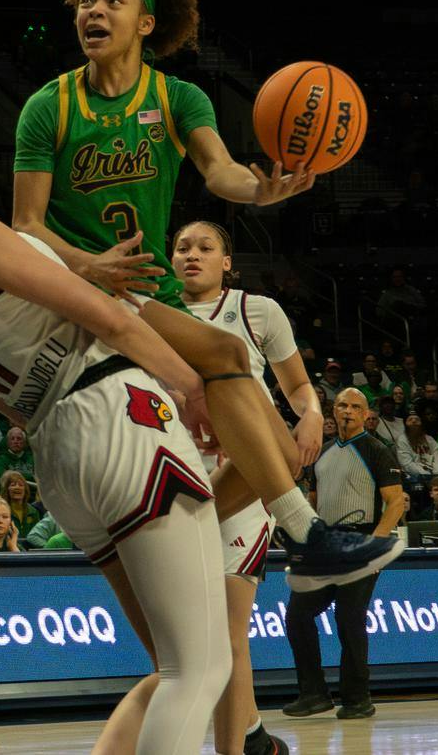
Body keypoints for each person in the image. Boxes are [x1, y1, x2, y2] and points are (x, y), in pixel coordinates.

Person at [0, 199, 392, 755]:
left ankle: (300, 533)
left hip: (57, 455)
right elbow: (106, 316)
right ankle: (304, 532)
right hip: (114, 415)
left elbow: (5, 404)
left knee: (174, 665)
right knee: (200, 668)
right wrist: (189, 387)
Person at [11, 0, 371, 585]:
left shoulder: (178, 98)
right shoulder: (50, 105)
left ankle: (195, 536)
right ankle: (307, 535)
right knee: (232, 355)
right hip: (77, 287)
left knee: (285, 453)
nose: (93, 11)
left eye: (111, 0)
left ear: (147, 21)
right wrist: (86, 264)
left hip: (147, 293)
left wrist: (262, 189)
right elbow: (26, 225)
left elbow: (221, 171)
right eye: (86, 0)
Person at [177, 219, 322, 755]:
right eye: (182, 247)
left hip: (240, 479)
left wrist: (310, 413)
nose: (192, 255)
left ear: (227, 262)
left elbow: (299, 386)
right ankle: (254, 735)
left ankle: (235, 749)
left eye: (205, 247)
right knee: (196, 640)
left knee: (227, 630)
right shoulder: (151, 313)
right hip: (176, 475)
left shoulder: (256, 311)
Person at [283, 389, 405, 725]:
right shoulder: (320, 452)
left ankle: (357, 699)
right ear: (332, 412)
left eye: (355, 406)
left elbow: (396, 503)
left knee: (349, 620)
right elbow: (312, 498)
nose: (348, 411)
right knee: (297, 615)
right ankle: (314, 694)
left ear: (367, 414)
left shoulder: (377, 450)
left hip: (361, 539)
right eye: (342, 405)